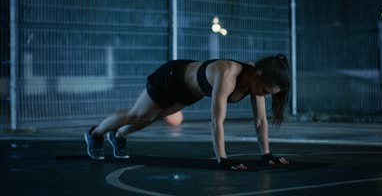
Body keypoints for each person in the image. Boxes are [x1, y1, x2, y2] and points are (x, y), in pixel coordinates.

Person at [84, 54, 290, 170]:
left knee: (153, 117)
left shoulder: (256, 83)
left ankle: (118, 135)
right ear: (259, 75)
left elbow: (261, 121)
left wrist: (266, 155)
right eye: (265, 90)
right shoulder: (228, 73)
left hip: (190, 93)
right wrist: (223, 159)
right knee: (139, 115)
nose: (263, 94)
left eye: (268, 93)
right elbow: (217, 121)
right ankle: (95, 134)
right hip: (171, 77)